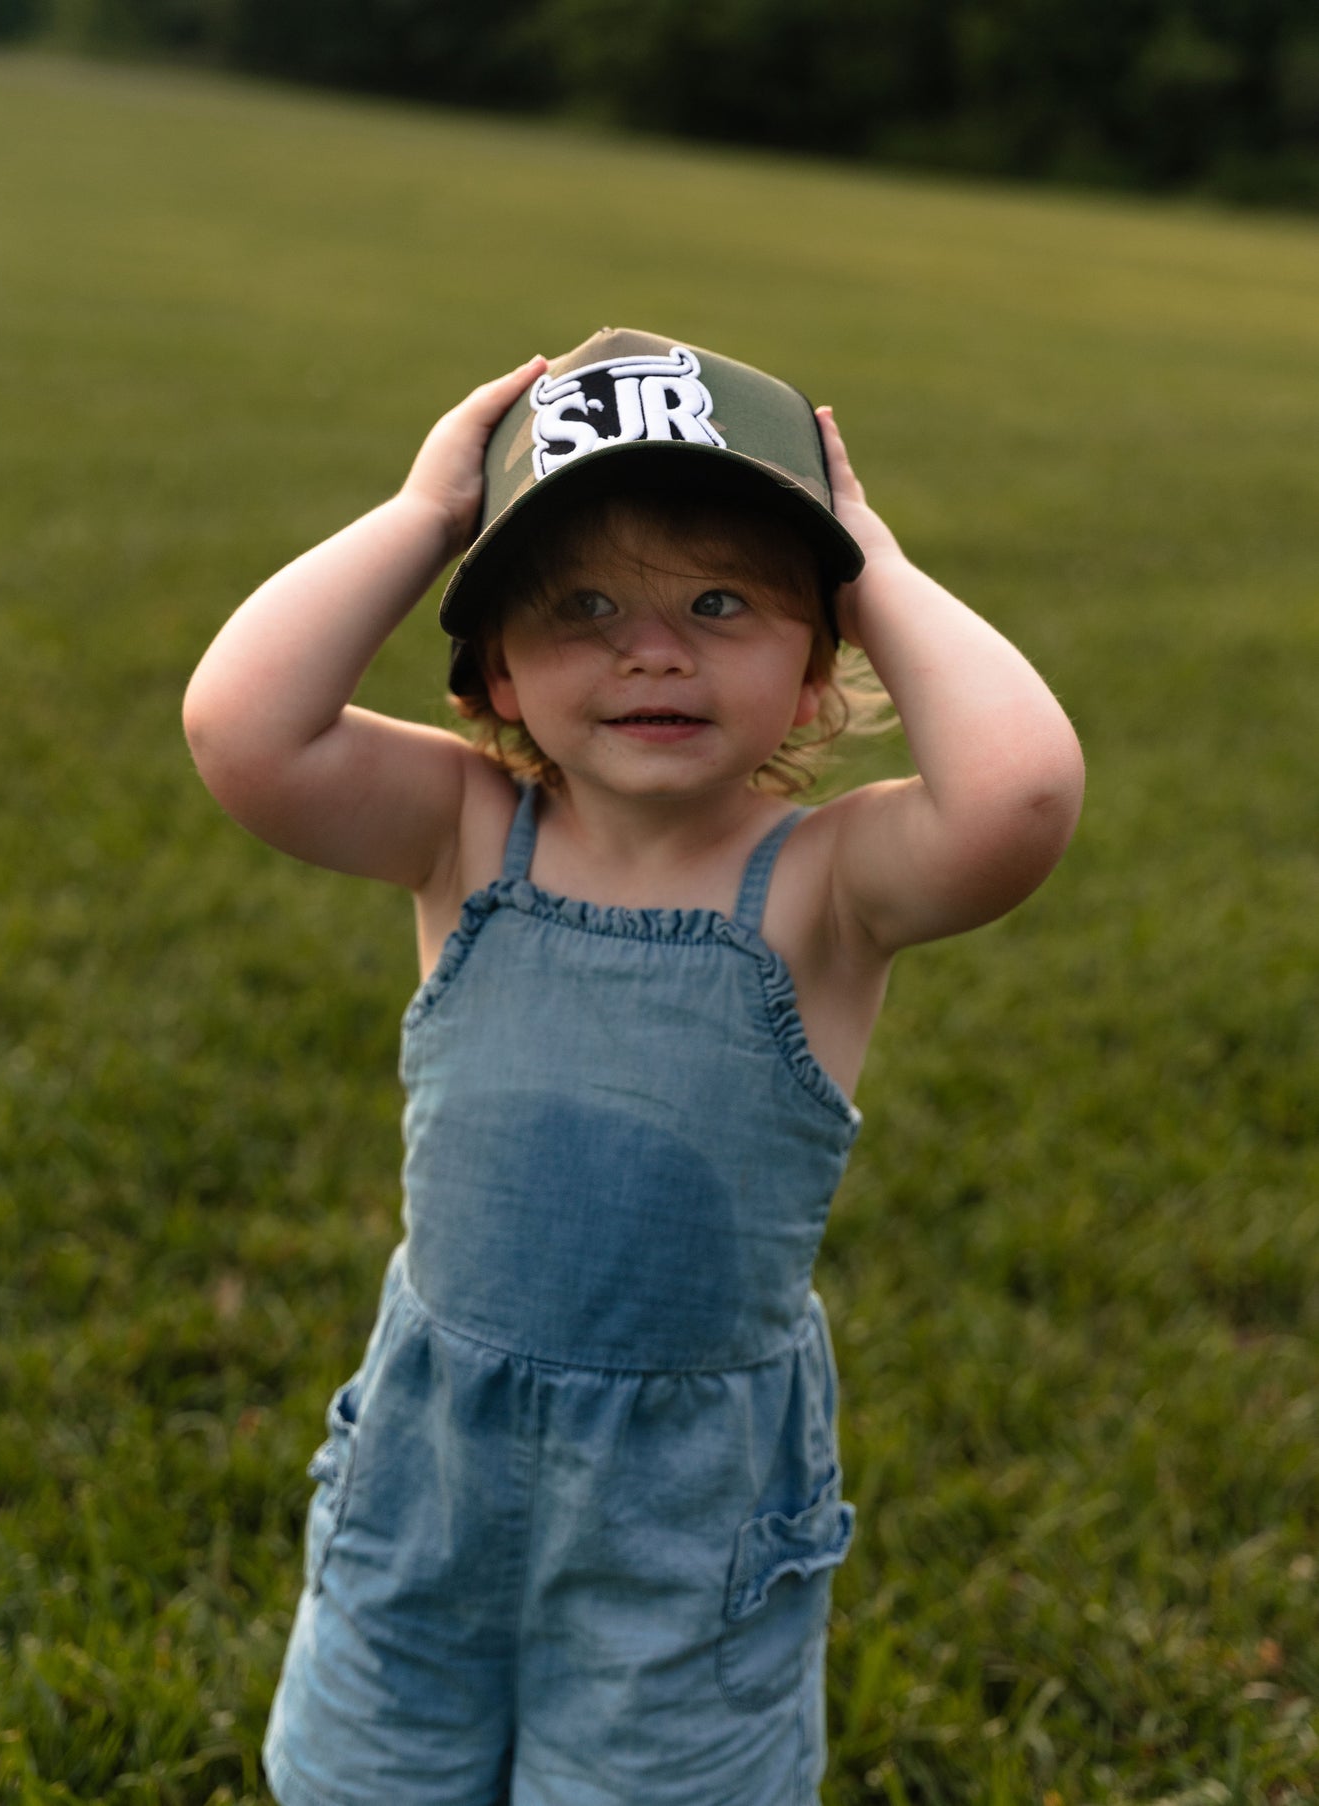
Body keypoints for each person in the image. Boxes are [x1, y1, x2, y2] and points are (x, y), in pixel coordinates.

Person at [183, 328, 1085, 1806]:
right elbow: (241, 727)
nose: (650, 648)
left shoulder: (822, 885)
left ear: (814, 670)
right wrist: (422, 515)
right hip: (433, 1460)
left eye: (721, 601)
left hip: (687, 1498)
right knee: (369, 1776)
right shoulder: (465, 832)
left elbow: (1021, 790)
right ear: (492, 674)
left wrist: (874, 558)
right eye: (580, 605)